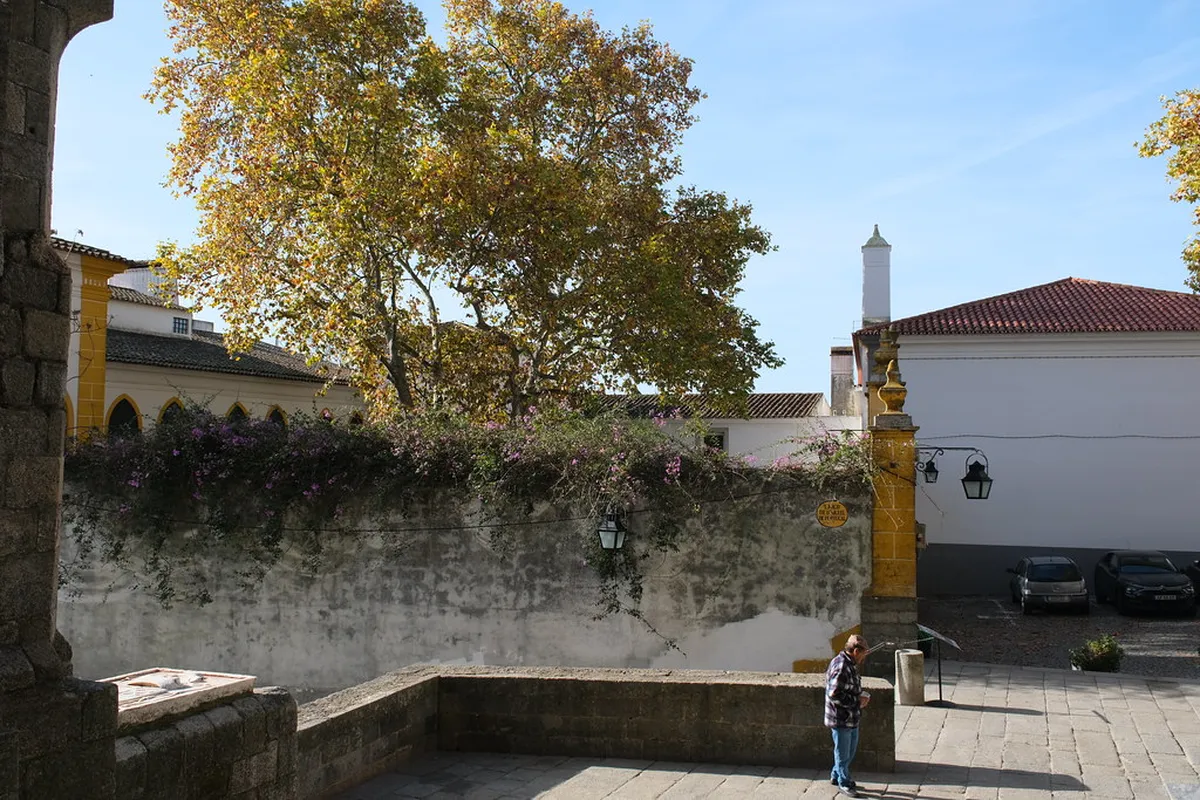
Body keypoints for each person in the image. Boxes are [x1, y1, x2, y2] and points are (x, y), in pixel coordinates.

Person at [825, 634, 870, 797]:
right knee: (843, 754)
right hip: (841, 718)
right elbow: (834, 694)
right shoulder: (842, 666)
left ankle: (836, 776)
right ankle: (844, 783)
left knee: (849, 751)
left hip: (851, 717)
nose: (865, 656)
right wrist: (857, 701)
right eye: (864, 653)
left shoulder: (849, 663)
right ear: (856, 651)